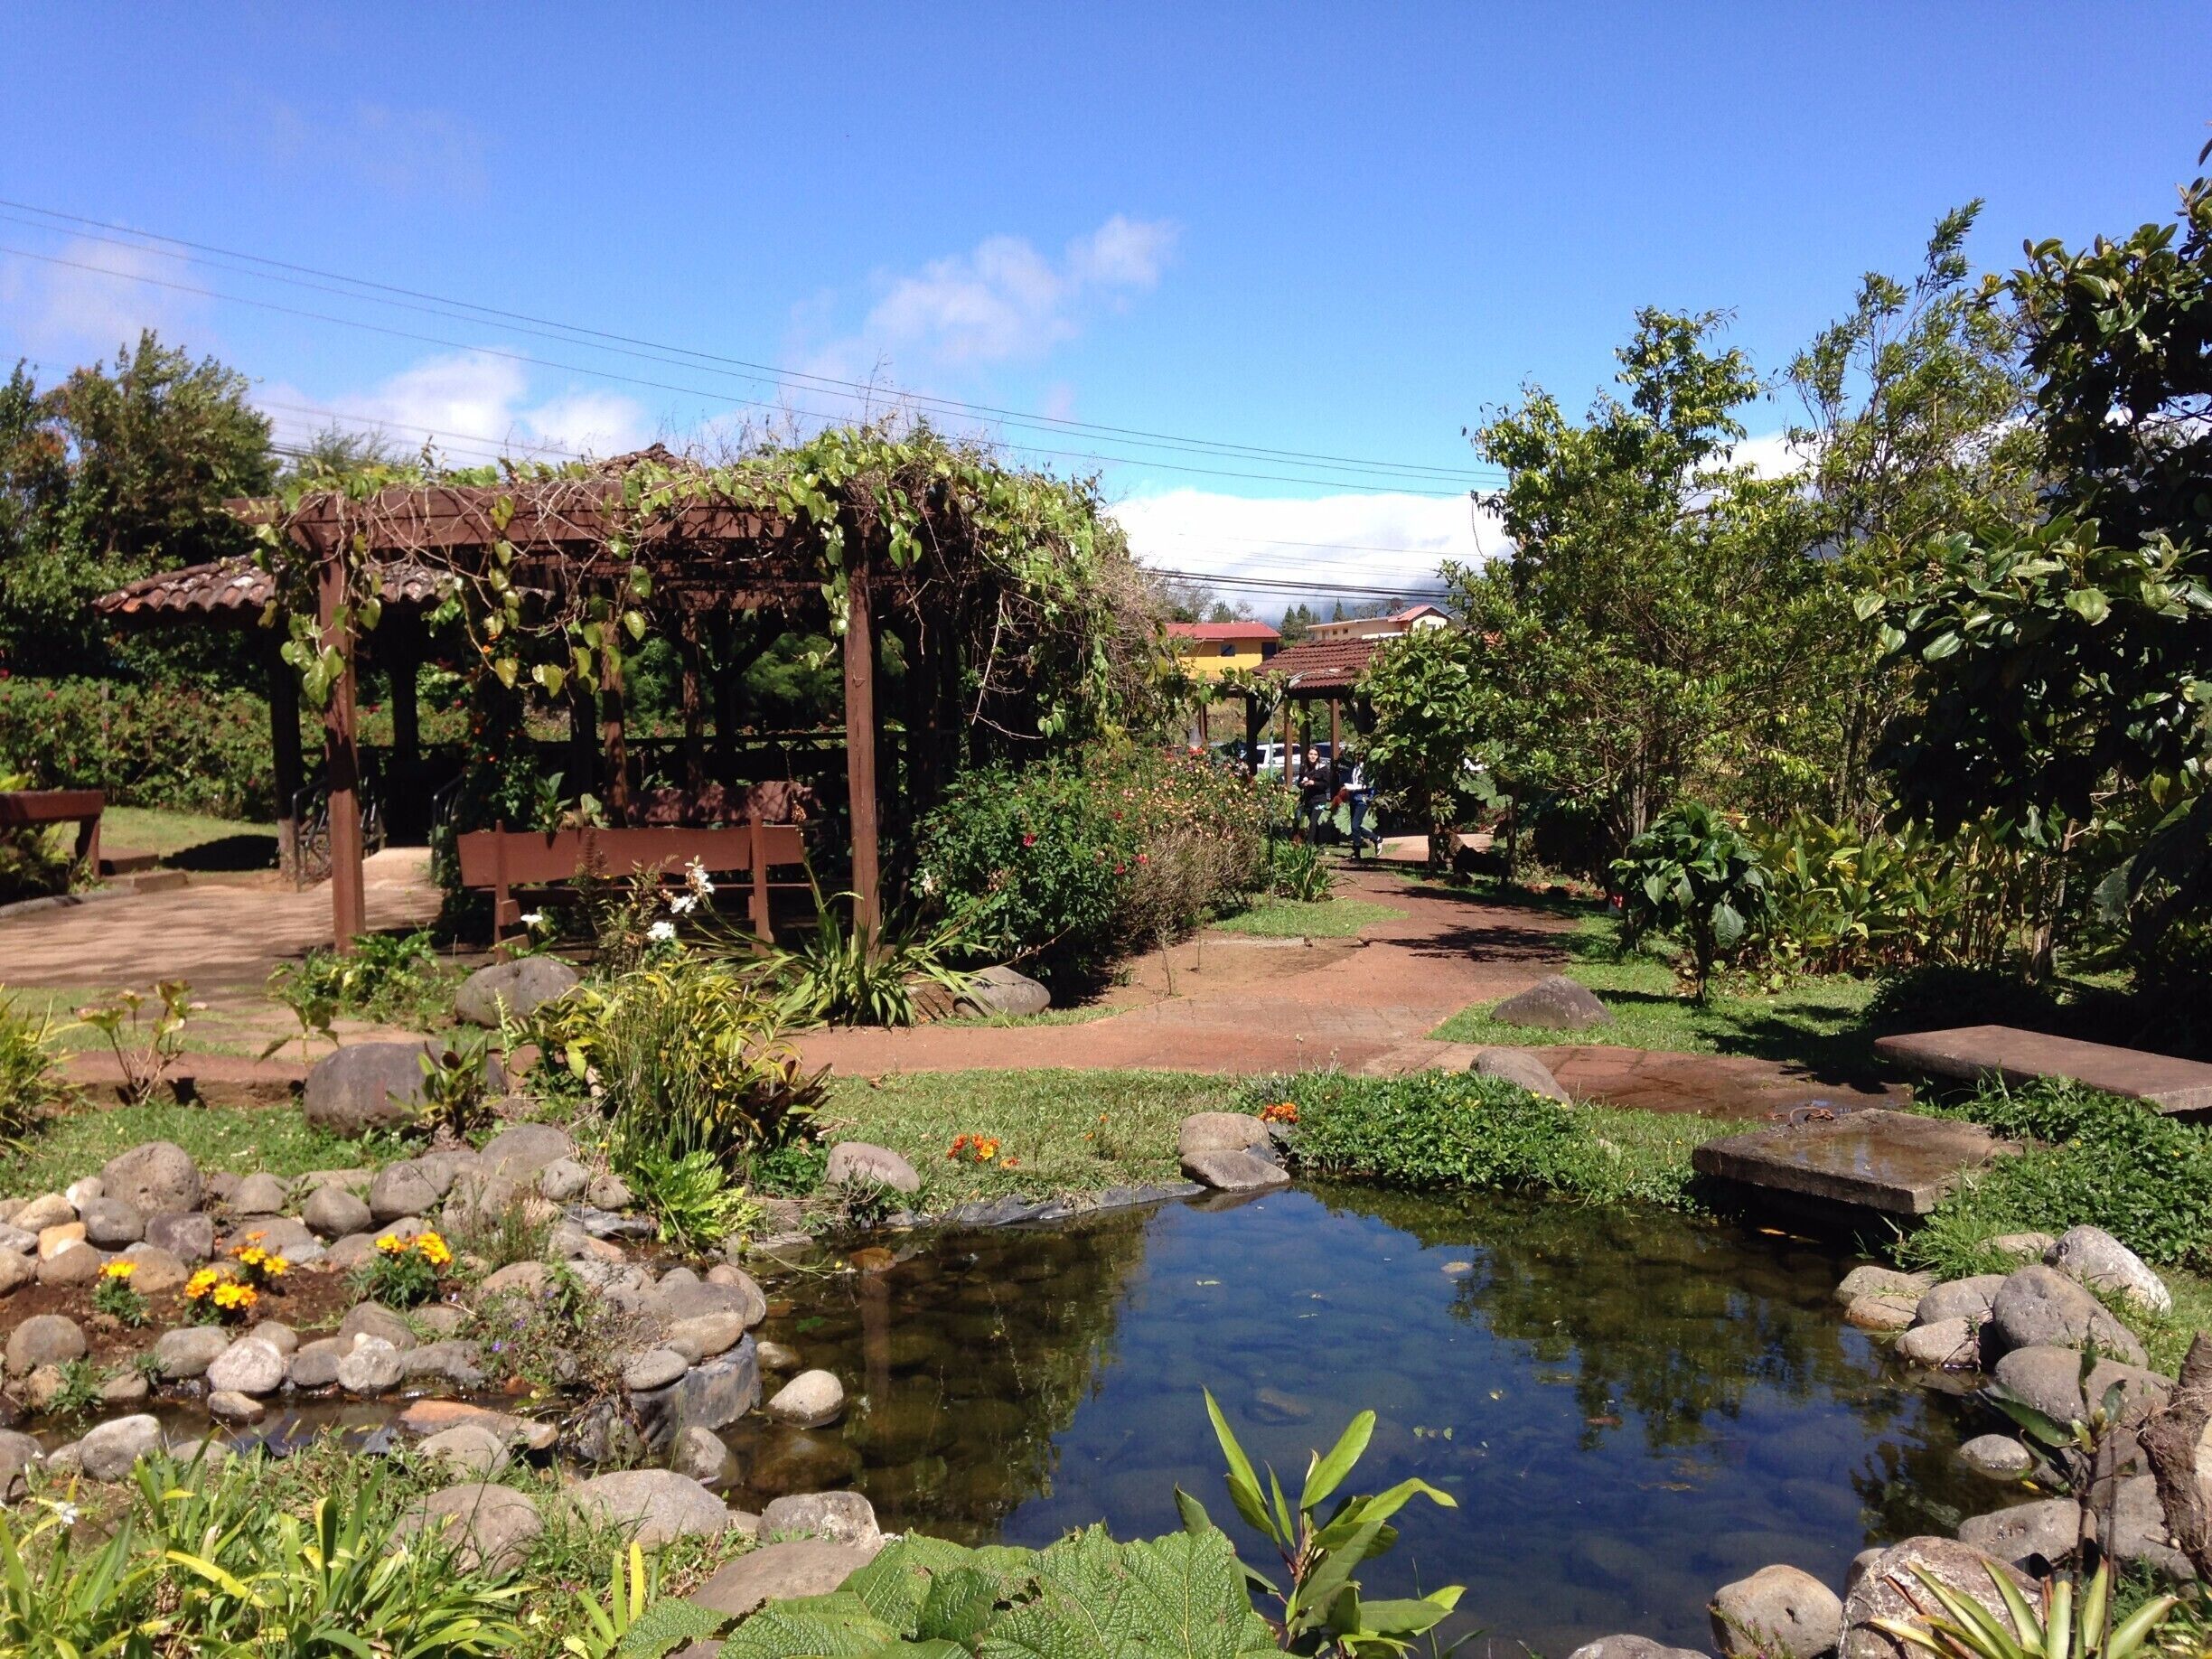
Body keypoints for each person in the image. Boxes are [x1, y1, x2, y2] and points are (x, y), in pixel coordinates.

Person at [1343, 755, 1380, 858]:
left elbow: (1369, 785)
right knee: (1355, 827)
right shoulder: (1354, 766)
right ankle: (1374, 840)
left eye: (1360, 753)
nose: (1357, 755)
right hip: (1353, 798)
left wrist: (1352, 787)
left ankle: (1358, 852)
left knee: (1355, 826)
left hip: (1362, 799)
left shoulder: (1368, 768)